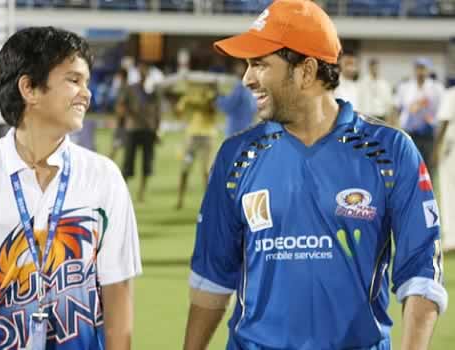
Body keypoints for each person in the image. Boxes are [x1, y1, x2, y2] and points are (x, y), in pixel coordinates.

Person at [183, 1, 447, 350]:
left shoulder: (391, 151)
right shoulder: (236, 156)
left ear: (305, 71)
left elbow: (420, 273)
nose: (247, 78)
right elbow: (212, 278)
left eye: (259, 64)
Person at [0, 27, 141, 350]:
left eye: (86, 82)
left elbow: (117, 287)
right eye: (74, 80)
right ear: (29, 88)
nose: (86, 94)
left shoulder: (104, 177)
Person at [117, 61, 161, 202]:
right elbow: (121, 106)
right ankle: (124, 192)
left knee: (147, 163)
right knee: (128, 162)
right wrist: (131, 115)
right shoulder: (131, 88)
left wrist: (157, 129)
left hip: (149, 129)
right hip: (133, 128)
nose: (143, 73)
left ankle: (141, 193)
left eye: (145, 70)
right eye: (141, 70)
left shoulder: (153, 91)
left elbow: (158, 111)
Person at [174, 79, 219, 209]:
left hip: (208, 136)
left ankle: (208, 203)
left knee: (206, 171)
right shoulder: (190, 95)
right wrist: (188, 105)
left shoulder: (213, 96)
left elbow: (213, 110)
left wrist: (206, 100)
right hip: (192, 136)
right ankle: (180, 200)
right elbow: (178, 111)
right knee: (185, 168)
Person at [395, 57, 444, 175]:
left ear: (428, 70)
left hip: (427, 134)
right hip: (409, 133)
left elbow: (441, 112)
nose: (420, 71)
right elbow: (397, 109)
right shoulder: (405, 87)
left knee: (427, 169)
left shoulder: (436, 88)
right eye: (418, 68)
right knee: (408, 167)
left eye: (423, 68)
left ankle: (427, 193)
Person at [433, 86, 455, 253]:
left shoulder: (451, 93)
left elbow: (445, 121)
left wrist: (436, 148)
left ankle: (451, 239)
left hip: (451, 149)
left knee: (449, 193)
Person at [216, 60, 257, 138]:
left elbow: (228, 105)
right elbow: (254, 108)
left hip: (236, 128)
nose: (236, 69)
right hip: (247, 128)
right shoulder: (252, 88)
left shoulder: (240, 87)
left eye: (238, 67)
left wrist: (218, 97)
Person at [358, 58, 394, 122]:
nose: (375, 69)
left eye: (376, 67)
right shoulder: (362, 83)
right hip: (367, 116)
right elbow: (359, 100)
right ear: (369, 68)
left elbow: (388, 102)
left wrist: (389, 117)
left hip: (381, 116)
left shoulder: (384, 84)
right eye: (373, 67)